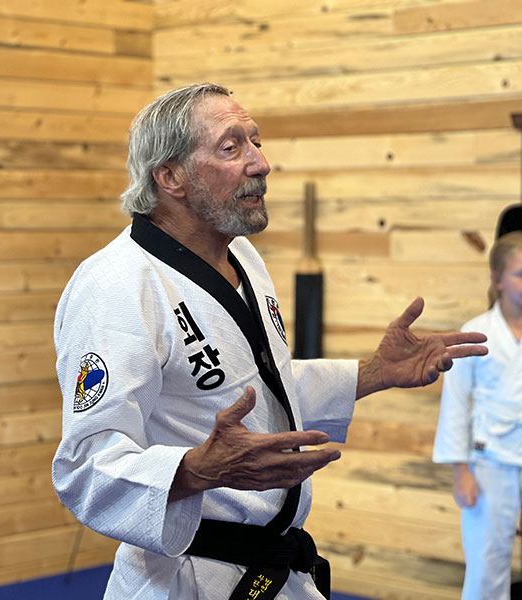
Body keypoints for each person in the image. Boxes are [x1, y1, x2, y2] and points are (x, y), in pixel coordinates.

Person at [52, 83, 488, 600]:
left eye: (255, 141)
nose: (261, 163)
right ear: (170, 177)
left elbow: (255, 391)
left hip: (275, 569)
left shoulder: (244, 260)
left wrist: (371, 373)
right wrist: (196, 470)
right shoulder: (117, 286)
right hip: (186, 576)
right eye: (231, 147)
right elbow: (86, 466)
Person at [433, 231, 522, 599]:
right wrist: (461, 473)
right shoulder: (475, 333)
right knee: (487, 559)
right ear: (498, 280)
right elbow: (456, 404)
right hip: (489, 460)